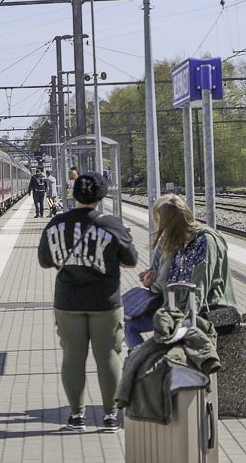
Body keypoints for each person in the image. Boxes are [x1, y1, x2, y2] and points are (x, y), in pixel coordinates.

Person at [38, 172, 138, 432]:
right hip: (105, 302)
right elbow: (131, 260)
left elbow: (45, 261)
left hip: (68, 301)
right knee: (108, 357)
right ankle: (110, 416)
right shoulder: (111, 225)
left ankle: (76, 416)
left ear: (73, 194)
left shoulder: (57, 224)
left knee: (72, 357)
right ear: (101, 195)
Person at [154, 194, 236, 317]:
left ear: (170, 226)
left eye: (161, 225)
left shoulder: (205, 240)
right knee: (134, 323)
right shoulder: (181, 243)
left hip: (211, 312)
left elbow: (199, 287)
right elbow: (170, 282)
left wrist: (184, 320)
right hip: (183, 310)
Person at [123, 195, 176, 350]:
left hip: (172, 307)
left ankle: (141, 363)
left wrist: (150, 283)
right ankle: (142, 362)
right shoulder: (164, 241)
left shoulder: (173, 243)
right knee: (129, 324)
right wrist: (149, 273)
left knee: (131, 326)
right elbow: (156, 269)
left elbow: (161, 283)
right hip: (166, 301)